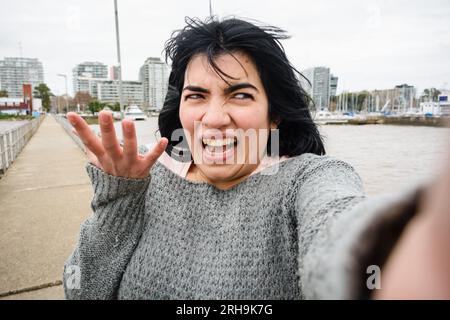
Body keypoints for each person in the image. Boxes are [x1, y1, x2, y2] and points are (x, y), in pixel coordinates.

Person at [64, 17, 449, 299]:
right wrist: (118, 199)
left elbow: (340, 225)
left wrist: (390, 252)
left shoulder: (306, 179)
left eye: (240, 95)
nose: (213, 118)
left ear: (274, 113)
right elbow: (80, 289)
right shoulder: (148, 180)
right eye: (196, 95)